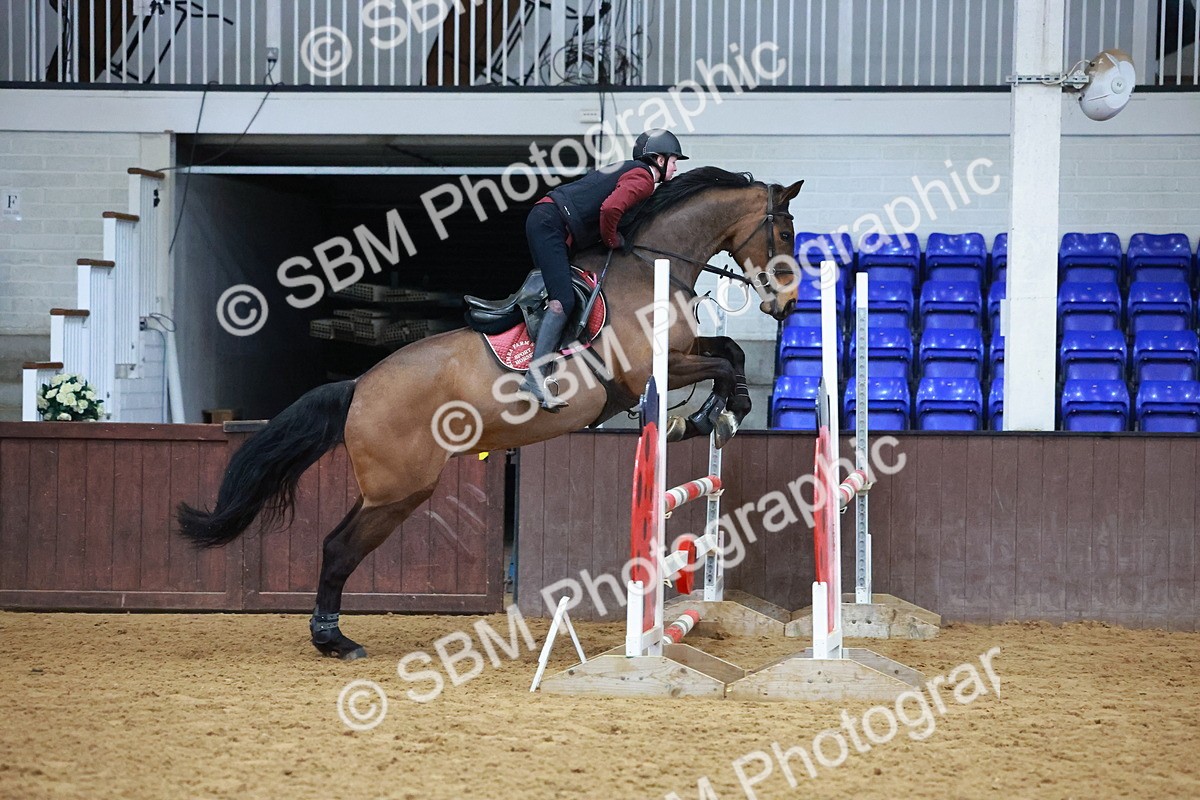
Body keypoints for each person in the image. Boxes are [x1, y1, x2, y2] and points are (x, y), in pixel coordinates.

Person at [520, 128, 687, 410]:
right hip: (551, 224)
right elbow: (610, 210)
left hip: (549, 221)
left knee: (561, 292)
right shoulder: (644, 178)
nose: (676, 165)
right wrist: (613, 239)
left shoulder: (636, 174)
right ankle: (534, 380)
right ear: (657, 159)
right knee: (563, 301)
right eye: (673, 159)